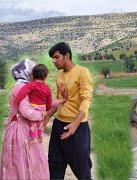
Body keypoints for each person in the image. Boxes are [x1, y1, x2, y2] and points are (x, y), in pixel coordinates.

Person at [46, 42, 93, 179]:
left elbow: (87, 99)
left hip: (77, 127)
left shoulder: (82, 72)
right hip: (58, 125)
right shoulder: (59, 76)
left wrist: (75, 125)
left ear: (67, 56)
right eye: (52, 59)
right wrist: (47, 117)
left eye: (56, 57)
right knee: (55, 164)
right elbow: (60, 100)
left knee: (82, 169)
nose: (54, 61)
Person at [0, 59, 50, 179]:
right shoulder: (22, 87)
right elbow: (26, 111)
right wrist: (43, 114)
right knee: (24, 161)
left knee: (21, 161)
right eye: (32, 72)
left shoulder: (20, 86)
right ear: (27, 73)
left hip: (18, 127)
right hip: (21, 129)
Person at [14, 64, 52, 143]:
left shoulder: (31, 85)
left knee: (32, 123)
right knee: (40, 123)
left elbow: (22, 93)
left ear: (33, 75)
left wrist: (16, 101)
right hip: (43, 108)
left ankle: (34, 138)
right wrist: (48, 109)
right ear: (45, 76)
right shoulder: (47, 88)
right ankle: (40, 136)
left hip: (33, 108)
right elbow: (49, 100)